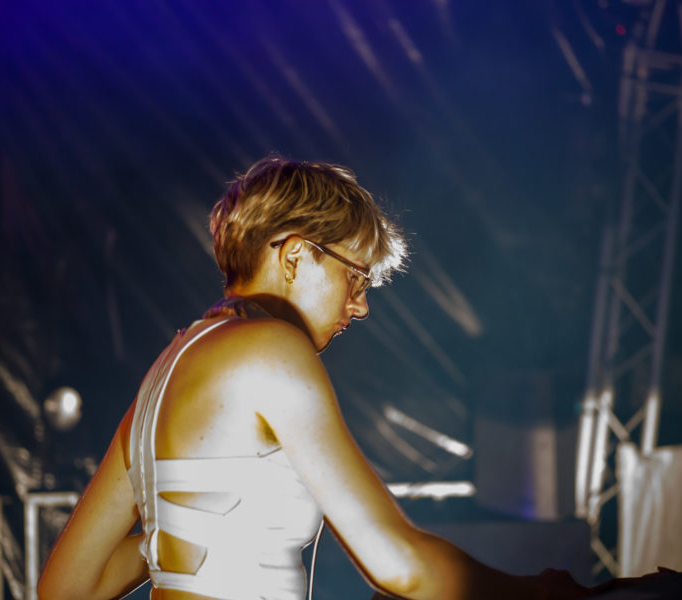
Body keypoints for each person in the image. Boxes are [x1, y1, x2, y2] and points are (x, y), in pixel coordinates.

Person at [38, 155, 588, 600]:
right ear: (296, 256)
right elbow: (398, 565)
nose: (361, 306)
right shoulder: (272, 349)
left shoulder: (167, 369)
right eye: (356, 278)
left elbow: (66, 587)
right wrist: (536, 594)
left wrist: (180, 533)